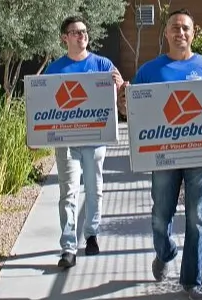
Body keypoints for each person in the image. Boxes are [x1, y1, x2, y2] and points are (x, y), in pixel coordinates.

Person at [129, 9, 202, 300]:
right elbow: (134, 112)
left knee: (197, 218)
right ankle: (165, 251)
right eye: (174, 28)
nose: (180, 33)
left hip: (201, 156)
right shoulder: (149, 71)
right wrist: (123, 100)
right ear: (166, 33)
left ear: (194, 32)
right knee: (160, 215)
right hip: (164, 156)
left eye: (185, 28)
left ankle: (192, 282)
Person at [43, 15, 126, 268]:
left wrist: (121, 85)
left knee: (94, 189)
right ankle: (68, 247)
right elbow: (43, 102)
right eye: (76, 32)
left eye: (84, 31)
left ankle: (91, 235)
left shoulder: (103, 65)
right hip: (66, 142)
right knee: (67, 193)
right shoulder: (55, 69)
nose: (82, 35)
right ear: (64, 38)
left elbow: (122, 97)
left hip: (95, 139)